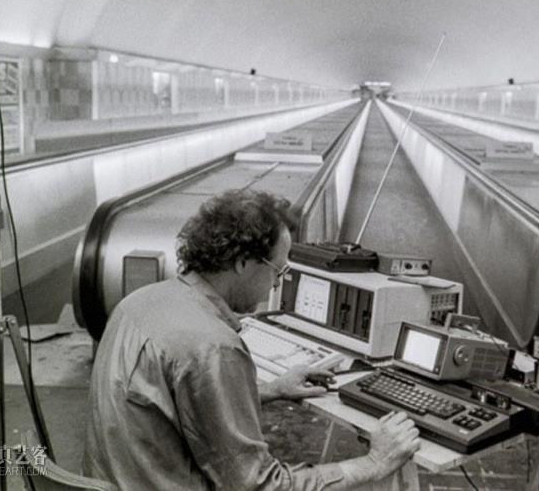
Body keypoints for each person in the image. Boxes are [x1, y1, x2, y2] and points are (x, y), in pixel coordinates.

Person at [84, 189, 420, 490]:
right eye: (278, 270)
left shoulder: (137, 303)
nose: (276, 285)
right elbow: (258, 487)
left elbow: (172, 404)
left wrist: (271, 390)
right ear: (244, 262)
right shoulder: (214, 346)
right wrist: (372, 463)